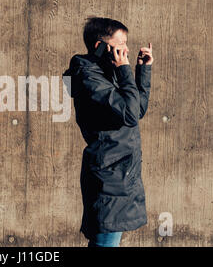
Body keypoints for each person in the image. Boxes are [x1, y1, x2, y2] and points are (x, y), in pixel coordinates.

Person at [63, 17, 154, 247]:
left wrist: (142, 71)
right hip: (109, 175)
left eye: (126, 43)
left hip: (122, 172)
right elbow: (130, 114)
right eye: (120, 43)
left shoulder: (106, 72)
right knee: (106, 242)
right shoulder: (89, 77)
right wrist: (124, 71)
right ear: (99, 46)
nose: (126, 49)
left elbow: (137, 110)